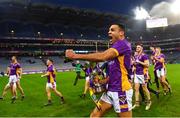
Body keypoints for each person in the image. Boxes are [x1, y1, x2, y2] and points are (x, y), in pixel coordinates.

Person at [66, 23, 133, 117]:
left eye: (112, 30)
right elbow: (115, 73)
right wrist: (102, 82)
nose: (109, 32)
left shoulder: (123, 44)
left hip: (121, 91)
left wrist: (75, 56)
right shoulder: (115, 48)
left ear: (121, 33)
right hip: (110, 90)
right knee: (94, 116)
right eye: (109, 30)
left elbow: (103, 56)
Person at [132, 44, 151, 110]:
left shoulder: (144, 56)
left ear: (142, 48)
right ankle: (137, 103)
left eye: (138, 47)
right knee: (136, 89)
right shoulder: (136, 56)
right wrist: (134, 65)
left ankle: (149, 102)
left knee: (144, 88)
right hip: (137, 74)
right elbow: (136, 64)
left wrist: (139, 61)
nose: (137, 48)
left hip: (143, 74)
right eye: (137, 47)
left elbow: (147, 65)